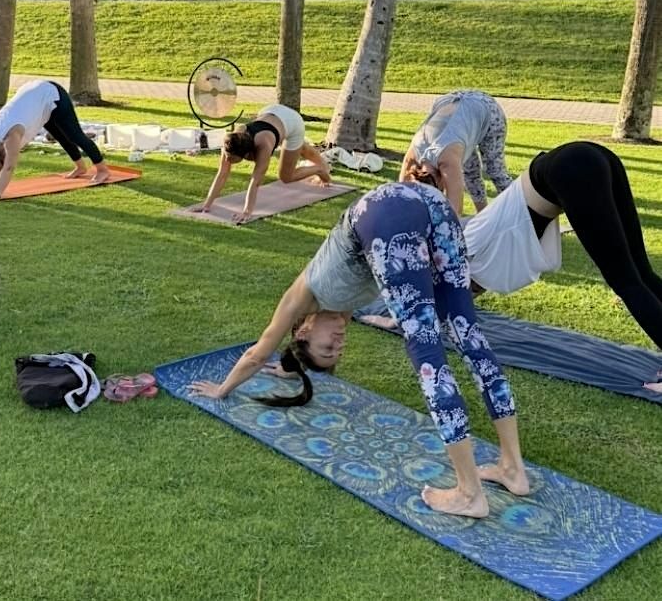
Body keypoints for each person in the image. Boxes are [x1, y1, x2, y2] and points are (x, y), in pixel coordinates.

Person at [189, 180, 529, 517]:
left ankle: (470, 493)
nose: (339, 342)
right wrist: (290, 367)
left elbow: (259, 351)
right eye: (338, 350)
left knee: (428, 357)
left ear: (304, 329)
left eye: (327, 347)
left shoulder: (299, 298)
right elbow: (297, 349)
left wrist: (222, 390)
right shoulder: (341, 309)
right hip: (427, 202)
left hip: (386, 213)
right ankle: (512, 468)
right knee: (469, 335)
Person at [460, 141, 662, 359]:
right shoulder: (490, 250)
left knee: (626, 282)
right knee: (641, 273)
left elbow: (458, 285)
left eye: (473, 292)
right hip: (589, 154)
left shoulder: (471, 247)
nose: (477, 293)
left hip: (572, 168)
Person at [0, 80, 109, 201]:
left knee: (75, 136)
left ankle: (102, 170)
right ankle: (81, 168)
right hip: (36, 100)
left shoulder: (11, 137)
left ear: (1, 156)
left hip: (52, 94)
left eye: (1, 163)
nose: (4, 165)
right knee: (61, 136)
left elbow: (9, 168)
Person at [196, 104, 333, 224]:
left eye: (231, 158)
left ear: (245, 154)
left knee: (286, 177)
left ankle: (319, 169)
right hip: (271, 112)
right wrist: (207, 204)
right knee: (296, 149)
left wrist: (247, 212)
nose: (227, 159)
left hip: (292, 121)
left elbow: (255, 182)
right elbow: (222, 174)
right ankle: (300, 149)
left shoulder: (264, 145)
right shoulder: (232, 141)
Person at [400, 89, 511, 214]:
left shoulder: (448, 162)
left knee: (495, 171)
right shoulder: (412, 156)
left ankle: (520, 210)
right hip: (450, 105)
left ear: (439, 182)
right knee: (470, 171)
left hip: (486, 108)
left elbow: (455, 213)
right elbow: (401, 197)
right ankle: (482, 215)